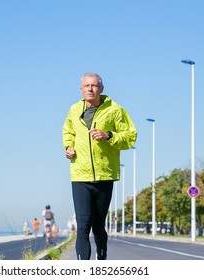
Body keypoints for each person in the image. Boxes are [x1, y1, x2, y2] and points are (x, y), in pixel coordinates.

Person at [63, 72, 137, 260]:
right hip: (80, 175)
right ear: (81, 90)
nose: (90, 89)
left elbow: (130, 137)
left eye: (94, 85)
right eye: (86, 86)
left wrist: (109, 135)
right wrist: (68, 146)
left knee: (98, 226)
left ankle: (101, 259)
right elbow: (68, 132)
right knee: (83, 225)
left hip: (104, 176)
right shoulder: (73, 110)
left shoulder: (115, 110)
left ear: (101, 89)